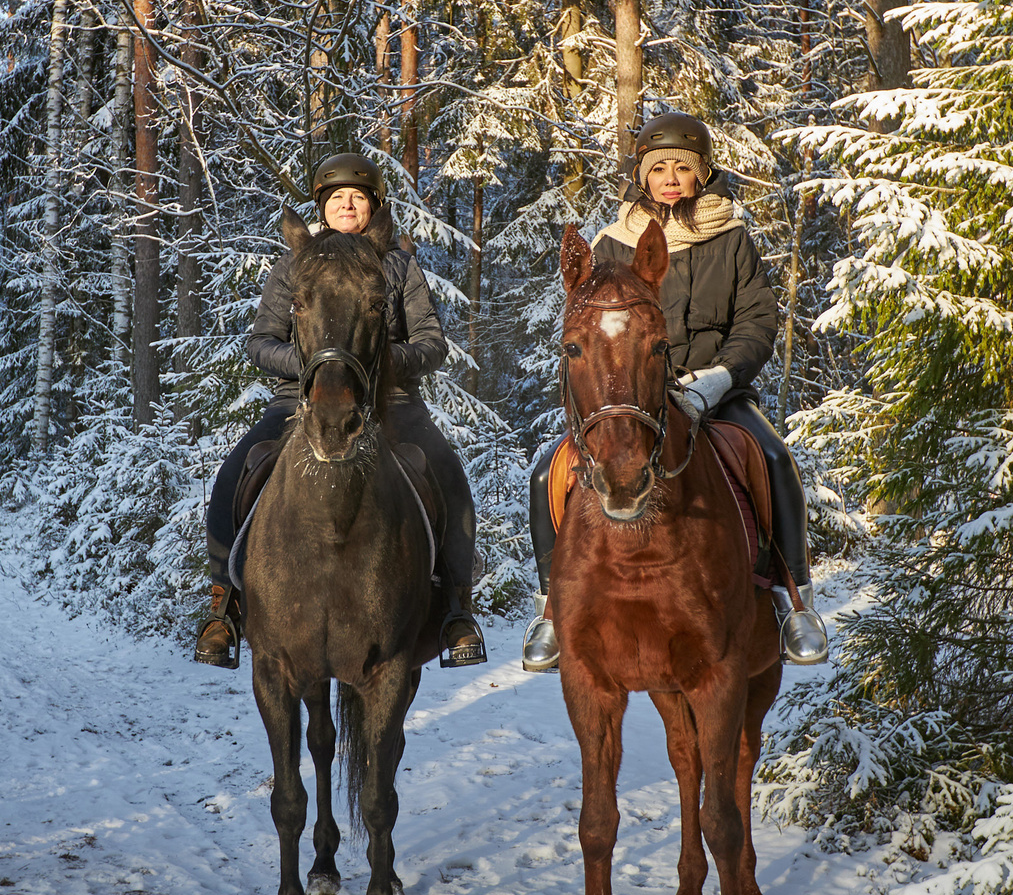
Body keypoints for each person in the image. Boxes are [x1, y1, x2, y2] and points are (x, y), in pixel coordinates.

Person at [520, 111, 830, 671]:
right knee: (550, 469)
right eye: (657, 167)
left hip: (717, 389)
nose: (669, 177)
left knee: (775, 457)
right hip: (636, 396)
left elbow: (757, 321)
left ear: (701, 175)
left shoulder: (731, 240)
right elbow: (592, 330)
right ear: (641, 177)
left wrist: (722, 376)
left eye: (681, 168)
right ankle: (551, 606)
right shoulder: (613, 245)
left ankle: (791, 597)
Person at [196, 152, 489, 669]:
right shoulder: (293, 264)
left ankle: (457, 609)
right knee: (239, 467)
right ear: (322, 207)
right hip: (302, 398)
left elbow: (432, 343)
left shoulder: (397, 264)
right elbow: (261, 342)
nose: (347, 205)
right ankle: (225, 604)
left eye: (358, 197)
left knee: (446, 471)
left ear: (374, 206)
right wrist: (312, 365)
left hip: (390, 401)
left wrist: (378, 363)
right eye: (337, 198)